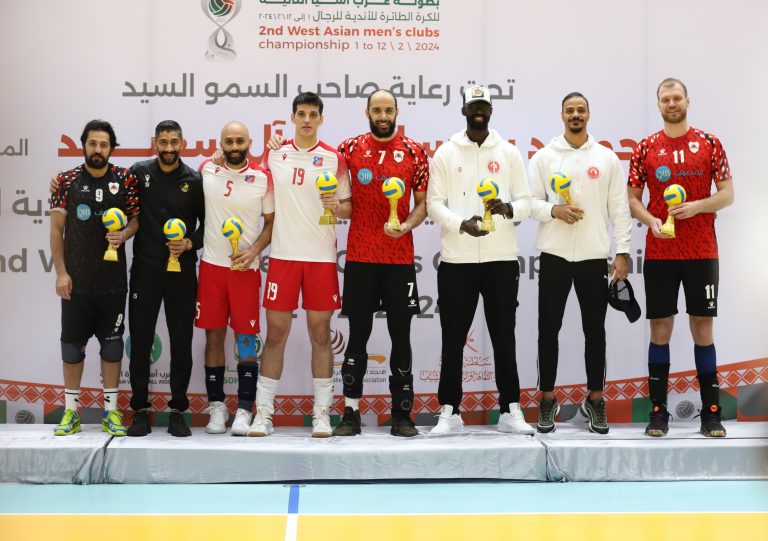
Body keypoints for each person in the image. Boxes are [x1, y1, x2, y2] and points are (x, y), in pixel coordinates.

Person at [628, 78, 734, 438]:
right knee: (660, 328)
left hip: (702, 251)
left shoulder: (709, 143)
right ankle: (659, 412)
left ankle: (711, 413)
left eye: (677, 98)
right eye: (665, 99)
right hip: (660, 252)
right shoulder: (645, 148)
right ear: (658, 105)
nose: (671, 104)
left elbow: (727, 194)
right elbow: (632, 199)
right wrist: (651, 221)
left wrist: (698, 206)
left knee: (702, 327)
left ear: (688, 101)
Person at [426, 86, 533, 435]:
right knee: (452, 338)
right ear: (463, 111)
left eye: (484, 106)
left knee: (504, 336)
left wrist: (509, 208)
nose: (479, 112)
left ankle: (510, 409)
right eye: (473, 106)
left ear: (490, 110)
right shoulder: (446, 152)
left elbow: (526, 200)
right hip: (457, 260)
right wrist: (462, 224)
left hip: (501, 259)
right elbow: (434, 204)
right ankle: (450, 410)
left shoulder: (508, 152)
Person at [247, 92, 351, 438]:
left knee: (320, 335)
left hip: (320, 259)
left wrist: (336, 206)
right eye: (301, 114)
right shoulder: (276, 153)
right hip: (283, 258)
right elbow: (248, 175)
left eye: (313, 114)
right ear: (292, 118)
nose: (307, 120)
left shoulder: (334, 158)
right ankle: (264, 414)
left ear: (321, 119)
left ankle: (321, 414)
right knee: (275, 335)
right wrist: (219, 155)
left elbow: (348, 208)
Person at [528, 92, 632, 435]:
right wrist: (554, 210)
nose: (576, 114)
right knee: (548, 330)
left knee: (595, 332)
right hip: (555, 255)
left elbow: (620, 209)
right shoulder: (544, 157)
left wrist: (623, 251)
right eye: (570, 110)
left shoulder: (606, 157)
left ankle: (595, 400)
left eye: (581, 110)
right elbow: (529, 203)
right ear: (562, 115)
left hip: (593, 257)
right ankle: (547, 399)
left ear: (588, 115)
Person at [333, 89, 430, 437]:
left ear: (397, 112)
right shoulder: (348, 149)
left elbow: (422, 205)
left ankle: (402, 415)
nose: (383, 116)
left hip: (399, 259)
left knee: (401, 336)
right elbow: (320, 169)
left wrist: (405, 225)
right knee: (357, 336)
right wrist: (278, 144)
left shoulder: (415, 152)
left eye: (388, 110)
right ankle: (350, 413)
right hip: (360, 258)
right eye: (377, 110)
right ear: (367, 112)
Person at [50, 119, 139, 436]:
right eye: (92, 143)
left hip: (113, 283)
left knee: (112, 348)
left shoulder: (125, 179)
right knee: (72, 348)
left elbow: (136, 220)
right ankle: (70, 413)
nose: (97, 149)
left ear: (111, 148)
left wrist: (125, 234)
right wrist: (61, 273)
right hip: (76, 283)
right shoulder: (66, 181)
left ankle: (111, 413)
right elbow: (56, 230)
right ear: (84, 145)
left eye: (103, 144)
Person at [125, 121, 205, 437]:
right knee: (140, 341)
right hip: (145, 271)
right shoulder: (137, 173)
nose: (169, 148)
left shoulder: (194, 180)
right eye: (163, 142)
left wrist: (189, 243)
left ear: (182, 143)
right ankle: (140, 410)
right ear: (155, 143)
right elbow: (112, 191)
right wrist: (62, 182)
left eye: (174, 142)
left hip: (181, 273)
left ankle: (177, 411)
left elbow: (207, 226)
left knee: (181, 342)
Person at [196, 121, 275, 435]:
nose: (234, 147)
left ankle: (244, 409)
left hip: (245, 270)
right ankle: (217, 407)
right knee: (213, 338)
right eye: (228, 141)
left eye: (239, 141)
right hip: (212, 269)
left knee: (245, 340)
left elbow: (271, 223)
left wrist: (254, 250)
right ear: (221, 143)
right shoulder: (207, 169)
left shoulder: (262, 178)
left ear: (249, 143)